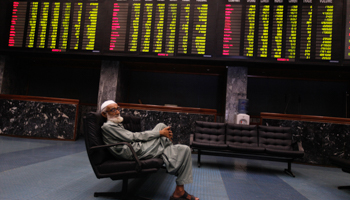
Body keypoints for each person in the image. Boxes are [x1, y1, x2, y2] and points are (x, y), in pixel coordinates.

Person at [100, 100, 199, 200]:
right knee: (162, 131)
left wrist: (162, 134)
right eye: (113, 110)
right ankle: (171, 152)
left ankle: (179, 191)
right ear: (104, 114)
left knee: (185, 149)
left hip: (136, 147)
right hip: (132, 152)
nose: (117, 112)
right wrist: (161, 134)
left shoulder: (115, 123)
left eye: (118, 108)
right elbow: (132, 137)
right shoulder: (108, 127)